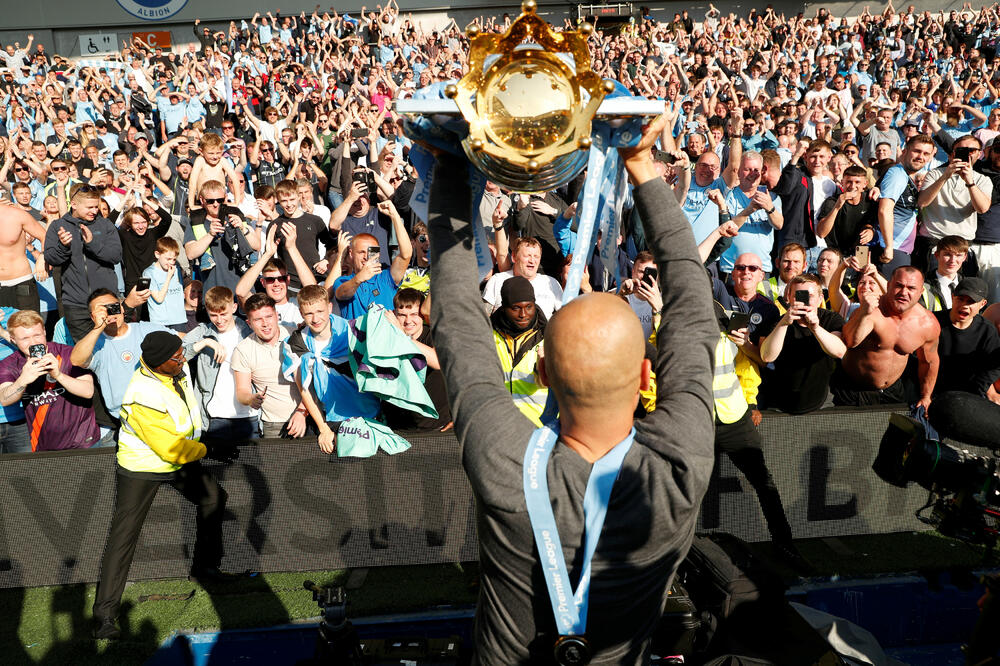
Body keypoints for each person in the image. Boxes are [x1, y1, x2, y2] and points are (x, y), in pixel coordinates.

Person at [426, 114, 716, 662]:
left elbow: (458, 324)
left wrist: (449, 170)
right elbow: (695, 313)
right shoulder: (680, 468)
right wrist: (641, 166)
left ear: (544, 375)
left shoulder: (502, 456)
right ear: (645, 377)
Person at [91, 331, 233, 640]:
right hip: (142, 468)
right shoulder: (140, 393)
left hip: (178, 459)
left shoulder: (172, 368)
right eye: (177, 356)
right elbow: (169, 449)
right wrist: (211, 449)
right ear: (159, 363)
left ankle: (204, 568)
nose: (183, 358)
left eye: (182, 353)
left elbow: (178, 439)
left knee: (213, 497)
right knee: (124, 537)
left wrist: (202, 442)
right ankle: (104, 616)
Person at [70, 289, 173, 447]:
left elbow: (180, 341)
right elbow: (76, 359)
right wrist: (99, 326)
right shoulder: (96, 345)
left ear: (122, 308)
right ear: (93, 317)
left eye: (113, 307)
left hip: (160, 414)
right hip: (127, 422)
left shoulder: (145, 329)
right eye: (102, 310)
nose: (110, 313)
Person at [834, 266, 941, 408]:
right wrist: (864, 314)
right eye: (899, 286)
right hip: (852, 390)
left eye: (911, 288)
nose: (904, 292)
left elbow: (929, 362)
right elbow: (849, 342)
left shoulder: (927, 323)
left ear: (921, 292)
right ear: (889, 285)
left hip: (892, 391)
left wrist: (926, 396)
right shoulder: (872, 310)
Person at [0, 309, 99, 451]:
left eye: (37, 335)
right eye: (25, 339)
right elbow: (4, 398)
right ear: (13, 340)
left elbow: (88, 391)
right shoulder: (10, 364)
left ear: (45, 331)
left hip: (82, 441)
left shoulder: (68, 353)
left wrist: (58, 375)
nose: (33, 342)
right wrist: (23, 380)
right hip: (44, 445)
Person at [43, 186, 123, 341]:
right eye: (89, 207)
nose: (94, 211)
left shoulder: (106, 225)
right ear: (74, 204)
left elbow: (116, 256)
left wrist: (93, 243)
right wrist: (63, 247)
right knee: (84, 354)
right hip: (76, 304)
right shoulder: (57, 226)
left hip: (108, 301)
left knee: (114, 345)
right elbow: (52, 258)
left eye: (96, 206)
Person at [759, 274, 846, 413]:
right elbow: (767, 357)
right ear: (789, 298)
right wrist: (783, 324)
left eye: (810, 296)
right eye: (798, 295)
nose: (805, 301)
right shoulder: (779, 322)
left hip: (820, 402)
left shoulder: (831, 319)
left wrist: (816, 328)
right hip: (780, 403)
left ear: (820, 299)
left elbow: (839, 351)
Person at [182, 287, 254, 443]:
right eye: (213, 315)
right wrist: (205, 343)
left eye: (224, 314)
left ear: (234, 307)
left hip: (248, 415)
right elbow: (176, 357)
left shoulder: (248, 331)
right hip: (215, 415)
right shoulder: (203, 332)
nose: (219, 320)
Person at [232, 293, 308, 439]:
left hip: (308, 415)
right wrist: (251, 399)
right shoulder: (243, 350)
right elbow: (242, 391)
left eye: (268, 317)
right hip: (274, 425)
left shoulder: (297, 336)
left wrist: (302, 411)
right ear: (249, 323)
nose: (265, 323)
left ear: (276, 315)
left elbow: (314, 380)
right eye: (258, 319)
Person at [382, 288, 452, 431]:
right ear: (394, 315)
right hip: (399, 427)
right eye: (402, 315)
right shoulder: (387, 339)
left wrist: (404, 336)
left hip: (437, 426)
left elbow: (438, 362)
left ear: (422, 315)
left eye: (414, 314)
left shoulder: (434, 335)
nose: (408, 321)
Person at [333, 205, 411, 319]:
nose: (366, 257)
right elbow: (342, 293)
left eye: (371, 252)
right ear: (351, 253)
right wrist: (359, 278)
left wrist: (395, 216)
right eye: (361, 252)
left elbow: (406, 254)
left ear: (378, 253)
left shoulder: (386, 278)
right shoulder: (343, 281)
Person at [490, 276, 548, 427]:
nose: (523, 314)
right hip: (498, 428)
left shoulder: (550, 337)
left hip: (540, 430)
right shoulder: (486, 336)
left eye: (528, 306)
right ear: (503, 308)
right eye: (516, 308)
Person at [875, 135, 935, 277]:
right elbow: (885, 210)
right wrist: (889, 246)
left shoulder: (907, 176)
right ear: (905, 150)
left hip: (899, 248)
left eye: (926, 153)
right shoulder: (897, 174)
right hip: (890, 248)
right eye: (917, 151)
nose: (921, 157)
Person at [933, 277, 1000, 398]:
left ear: (982, 304)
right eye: (960, 299)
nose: (964, 305)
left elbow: (993, 366)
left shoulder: (987, 330)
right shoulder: (932, 322)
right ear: (953, 297)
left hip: (970, 396)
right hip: (932, 394)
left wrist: (978, 389)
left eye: (970, 302)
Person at [482, 237, 564, 318]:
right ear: (514, 257)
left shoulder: (551, 283)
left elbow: (564, 317)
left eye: (536, 256)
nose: (532, 260)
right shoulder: (497, 280)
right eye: (527, 256)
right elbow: (484, 317)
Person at [0, 204, 47, 311]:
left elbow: (44, 236)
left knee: (30, 326)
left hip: (21, 282)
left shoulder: (16, 214)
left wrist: (42, 258)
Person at [615, 251, 662, 340]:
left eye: (650, 273)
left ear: (657, 277)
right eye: (641, 271)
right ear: (633, 272)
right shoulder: (621, 294)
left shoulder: (665, 301)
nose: (645, 277)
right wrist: (619, 294)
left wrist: (658, 310)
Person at [144, 237, 187, 332]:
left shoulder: (177, 269)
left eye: (174, 260)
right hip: (160, 321)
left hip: (178, 319)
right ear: (157, 254)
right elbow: (159, 299)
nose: (171, 262)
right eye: (168, 259)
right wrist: (168, 277)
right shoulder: (149, 273)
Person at [920, 235, 972, 312]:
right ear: (937, 255)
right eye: (947, 254)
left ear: (964, 257)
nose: (952, 260)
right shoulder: (922, 285)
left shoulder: (970, 286)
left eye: (958, 255)